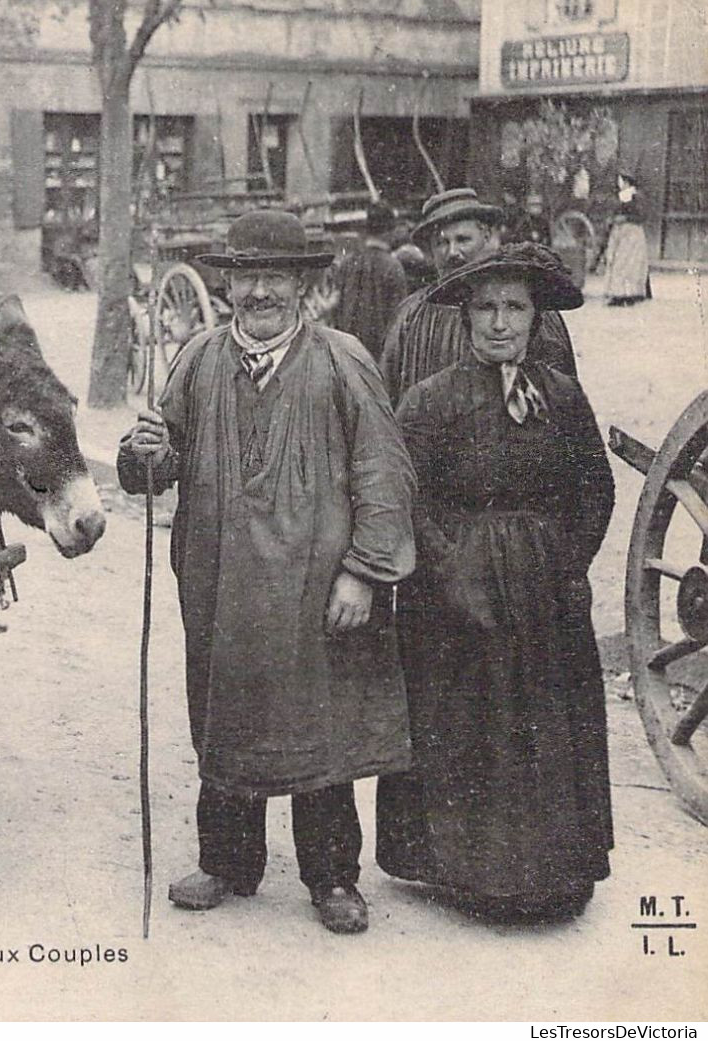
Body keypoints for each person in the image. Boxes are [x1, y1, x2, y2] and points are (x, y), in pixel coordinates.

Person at [115, 210, 416, 936]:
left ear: (302, 286)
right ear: (226, 287)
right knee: (226, 713)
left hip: (318, 591)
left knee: (321, 726)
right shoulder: (196, 359)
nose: (257, 292)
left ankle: (332, 875)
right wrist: (145, 449)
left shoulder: (342, 360)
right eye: (245, 277)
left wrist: (364, 573)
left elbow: (384, 472)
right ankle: (226, 860)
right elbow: (153, 467)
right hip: (220, 584)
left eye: (273, 277)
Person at [375, 243, 615, 921]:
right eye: (485, 307)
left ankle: (552, 873)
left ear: (536, 316)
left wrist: (566, 565)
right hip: (455, 594)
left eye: (514, 306)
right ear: (465, 317)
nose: (499, 322)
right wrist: (451, 572)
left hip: (542, 592)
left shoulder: (561, 398)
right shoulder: (430, 401)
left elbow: (593, 489)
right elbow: (405, 496)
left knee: (542, 724)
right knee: (467, 724)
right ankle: (469, 875)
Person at [379, 188, 578, 408]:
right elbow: (387, 394)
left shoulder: (530, 307)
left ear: (486, 237)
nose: (453, 252)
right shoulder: (410, 314)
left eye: (463, 239)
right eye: (442, 243)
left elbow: (562, 397)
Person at [328, 202, 408, 358]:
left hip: (346, 354)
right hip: (380, 358)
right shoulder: (393, 267)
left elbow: (335, 311)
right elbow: (400, 321)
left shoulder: (348, 263)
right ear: (389, 231)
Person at [603, 172, 651, 307]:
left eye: (621, 180)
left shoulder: (636, 196)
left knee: (629, 263)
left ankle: (628, 294)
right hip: (620, 232)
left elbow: (642, 215)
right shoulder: (620, 197)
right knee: (617, 261)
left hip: (632, 232)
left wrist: (626, 218)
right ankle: (618, 293)